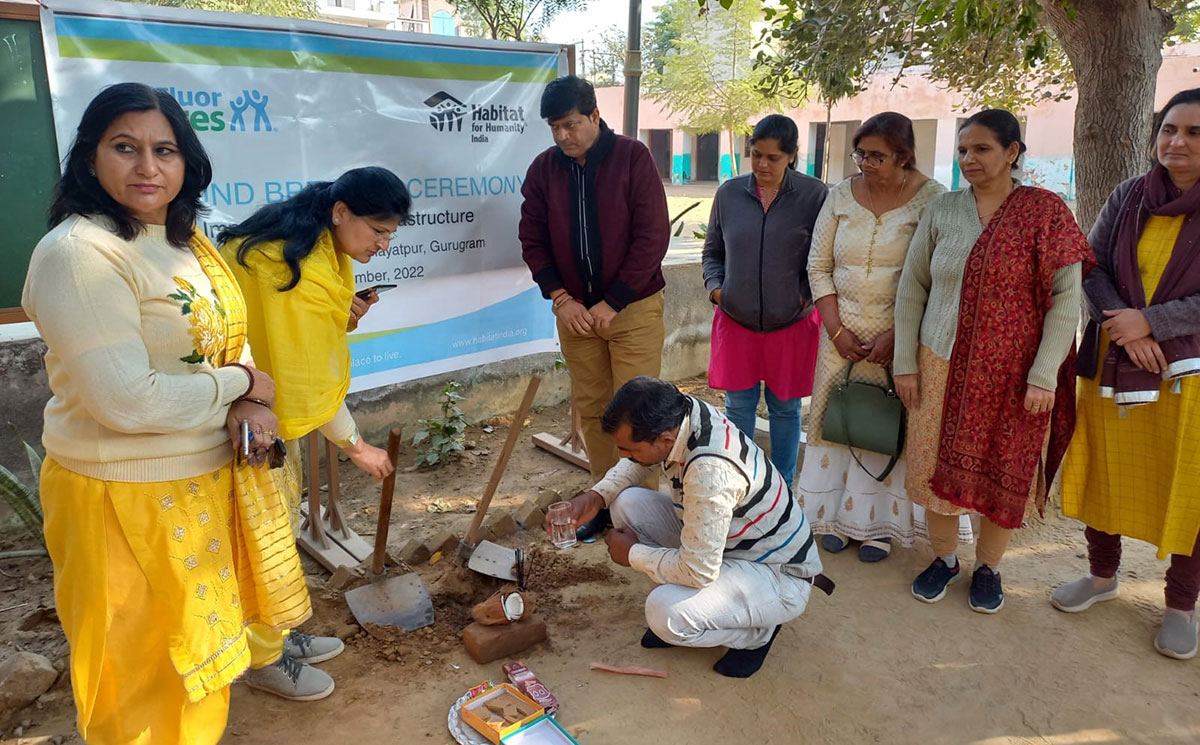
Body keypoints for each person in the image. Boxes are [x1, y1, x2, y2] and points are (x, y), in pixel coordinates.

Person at [20, 82, 311, 745]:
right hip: (119, 499)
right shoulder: (79, 254)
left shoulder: (181, 239)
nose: (148, 168)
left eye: (165, 150)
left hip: (200, 487)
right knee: (135, 683)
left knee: (196, 672)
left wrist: (245, 395)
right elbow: (126, 398)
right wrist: (238, 381)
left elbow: (223, 336)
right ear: (90, 156)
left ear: (188, 162)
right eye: (125, 147)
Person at [218, 167, 411, 697]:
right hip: (243, 423)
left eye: (391, 233)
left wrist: (340, 316)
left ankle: (273, 638)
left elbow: (305, 338)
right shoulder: (290, 267)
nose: (383, 243)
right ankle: (261, 661)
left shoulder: (312, 248)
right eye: (376, 230)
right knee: (262, 540)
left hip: (254, 411)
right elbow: (302, 373)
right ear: (340, 211)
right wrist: (356, 445)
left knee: (272, 531)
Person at [893, 109, 1092, 613]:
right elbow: (912, 288)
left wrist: (1044, 374)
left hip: (1015, 375)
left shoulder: (1046, 212)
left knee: (1003, 470)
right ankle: (943, 559)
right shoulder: (943, 210)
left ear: (1013, 152)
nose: (968, 159)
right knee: (933, 465)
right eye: (962, 150)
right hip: (938, 363)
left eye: (981, 149)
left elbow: (1067, 297)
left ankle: (989, 568)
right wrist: (905, 363)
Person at [1052, 88, 1200, 660]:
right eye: (1168, 129)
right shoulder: (1130, 196)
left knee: (1186, 490)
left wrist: (1152, 324)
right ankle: (1101, 575)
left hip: (1185, 374)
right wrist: (1125, 329)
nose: (1177, 142)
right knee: (1103, 473)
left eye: (1192, 132)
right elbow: (1091, 266)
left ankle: (1182, 605)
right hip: (1115, 363)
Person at [556, 377, 833, 679]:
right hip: (731, 545)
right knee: (625, 503)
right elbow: (640, 459)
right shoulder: (684, 411)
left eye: (628, 448)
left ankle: (756, 634)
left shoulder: (710, 471)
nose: (623, 456)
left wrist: (633, 553)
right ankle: (712, 608)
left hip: (777, 573)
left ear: (664, 439)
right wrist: (597, 496)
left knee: (664, 614)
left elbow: (698, 570)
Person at [798, 112, 965, 563]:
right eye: (861, 154)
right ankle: (834, 517)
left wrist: (900, 336)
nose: (866, 164)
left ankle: (879, 529)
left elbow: (938, 279)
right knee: (839, 424)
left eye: (877, 156)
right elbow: (819, 266)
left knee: (887, 425)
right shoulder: (839, 195)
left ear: (903, 155)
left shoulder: (934, 199)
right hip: (841, 336)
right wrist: (835, 330)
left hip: (902, 339)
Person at [519, 75, 670, 541]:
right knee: (595, 411)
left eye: (570, 125)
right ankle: (605, 505)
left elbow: (652, 236)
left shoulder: (632, 158)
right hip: (576, 314)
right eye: (554, 128)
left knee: (639, 415)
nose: (563, 136)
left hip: (633, 309)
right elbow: (533, 239)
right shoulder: (544, 170)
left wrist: (614, 300)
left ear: (594, 117)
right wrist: (560, 299)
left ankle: (645, 514)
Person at [701, 114, 827, 488]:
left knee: (785, 410)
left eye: (773, 157)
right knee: (737, 408)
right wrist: (717, 289)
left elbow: (824, 257)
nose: (762, 165)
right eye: (756, 155)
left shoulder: (814, 195)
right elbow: (713, 251)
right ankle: (742, 485)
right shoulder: (729, 193)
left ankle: (783, 487)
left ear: (792, 156)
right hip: (736, 320)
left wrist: (802, 296)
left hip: (790, 323)